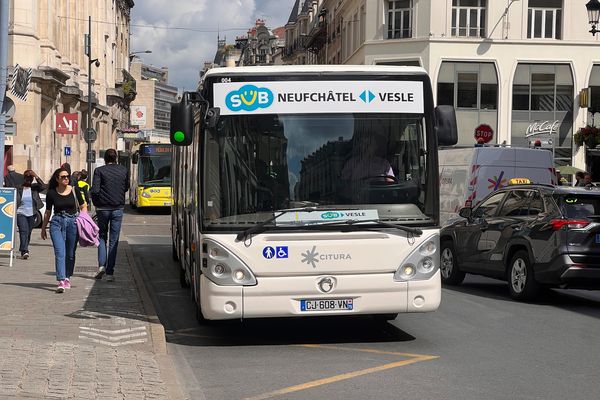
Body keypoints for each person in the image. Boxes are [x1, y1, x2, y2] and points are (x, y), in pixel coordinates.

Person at [41, 167, 86, 293]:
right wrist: (43, 228)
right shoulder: (51, 193)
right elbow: (48, 212)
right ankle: (61, 280)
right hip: (57, 223)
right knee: (60, 252)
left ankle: (67, 277)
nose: (66, 178)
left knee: (70, 254)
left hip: (73, 223)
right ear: (57, 179)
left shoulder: (74, 190)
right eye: (63, 177)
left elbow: (83, 206)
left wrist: (83, 220)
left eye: (67, 176)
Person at [91, 149, 129, 282]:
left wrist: (96, 204)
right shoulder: (123, 170)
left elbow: (95, 190)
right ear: (116, 158)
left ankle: (101, 265)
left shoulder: (99, 171)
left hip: (103, 208)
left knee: (101, 236)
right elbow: (126, 187)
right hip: (118, 207)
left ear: (105, 159)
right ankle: (110, 273)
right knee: (114, 240)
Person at [16, 170, 46, 259]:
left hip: (32, 214)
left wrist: (36, 175)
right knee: (23, 231)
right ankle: (24, 251)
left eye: (30, 178)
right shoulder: (19, 188)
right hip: (20, 213)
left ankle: (24, 248)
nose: (28, 180)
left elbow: (43, 186)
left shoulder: (34, 187)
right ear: (24, 178)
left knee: (28, 232)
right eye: (27, 178)